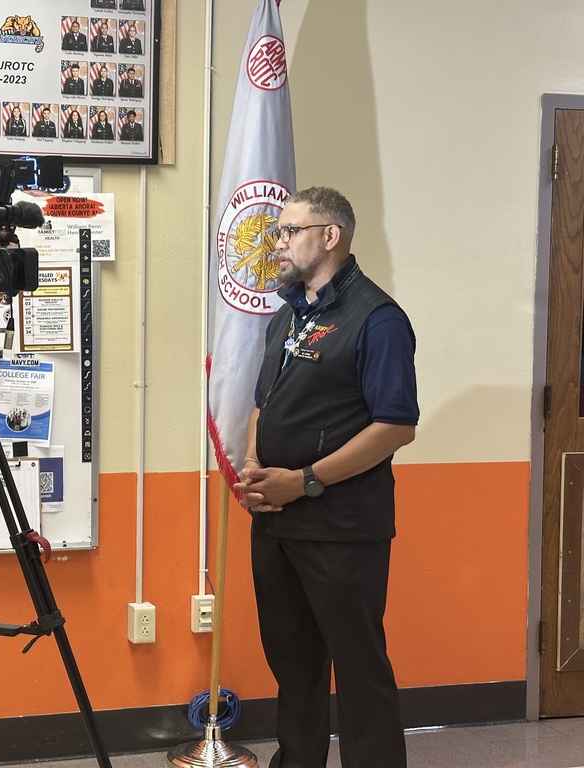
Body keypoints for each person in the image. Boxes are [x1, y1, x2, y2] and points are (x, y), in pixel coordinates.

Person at [235, 186, 417, 768]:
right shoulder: (288, 313)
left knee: (359, 670)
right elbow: (264, 402)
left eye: (290, 231)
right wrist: (255, 465)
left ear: (330, 236)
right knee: (294, 665)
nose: (279, 242)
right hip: (277, 524)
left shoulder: (378, 318)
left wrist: (306, 479)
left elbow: (394, 427)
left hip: (342, 528)